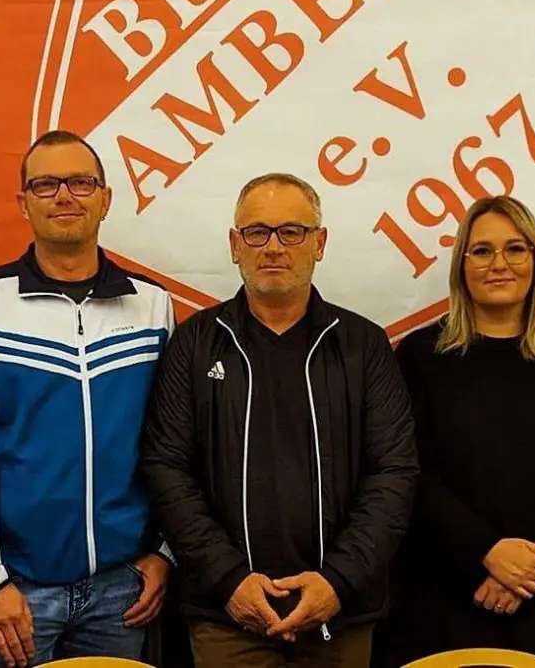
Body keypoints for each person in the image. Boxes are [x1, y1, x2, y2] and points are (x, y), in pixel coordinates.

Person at [140, 172, 417, 668]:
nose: (273, 247)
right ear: (234, 244)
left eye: (291, 232)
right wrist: (228, 581)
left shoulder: (363, 346)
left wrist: (338, 581)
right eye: (256, 232)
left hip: (341, 615)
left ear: (320, 243)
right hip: (226, 616)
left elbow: (393, 473)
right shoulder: (194, 343)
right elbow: (167, 469)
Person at [0, 130, 175, 667]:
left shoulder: (153, 307)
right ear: (23, 204)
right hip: (12, 594)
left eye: (81, 182)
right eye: (45, 185)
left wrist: (164, 554)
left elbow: (176, 446)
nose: (65, 196)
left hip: (122, 592)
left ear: (106, 198)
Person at [378, 196, 535, 667]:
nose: (499, 264)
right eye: (482, 251)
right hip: (444, 600)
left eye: (515, 249)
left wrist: (521, 567)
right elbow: (407, 472)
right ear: (461, 265)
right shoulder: (420, 358)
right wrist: (483, 552)